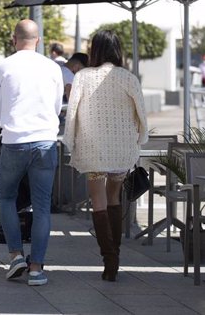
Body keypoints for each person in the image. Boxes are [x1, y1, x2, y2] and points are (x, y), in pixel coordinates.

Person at [63, 30, 148, 282]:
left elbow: (72, 113)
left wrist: (71, 141)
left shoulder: (82, 77)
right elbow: (141, 114)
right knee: (114, 197)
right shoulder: (128, 77)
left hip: (93, 148)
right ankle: (116, 254)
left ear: (94, 50)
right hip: (121, 148)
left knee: (98, 201)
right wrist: (139, 139)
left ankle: (109, 260)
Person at [0, 19, 63, 286]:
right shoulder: (53, 68)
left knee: (6, 199)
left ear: (13, 39)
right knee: (42, 207)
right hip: (45, 141)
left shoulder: (2, 67)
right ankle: (37, 269)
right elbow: (56, 107)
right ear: (38, 40)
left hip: (14, 141)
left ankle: (16, 255)